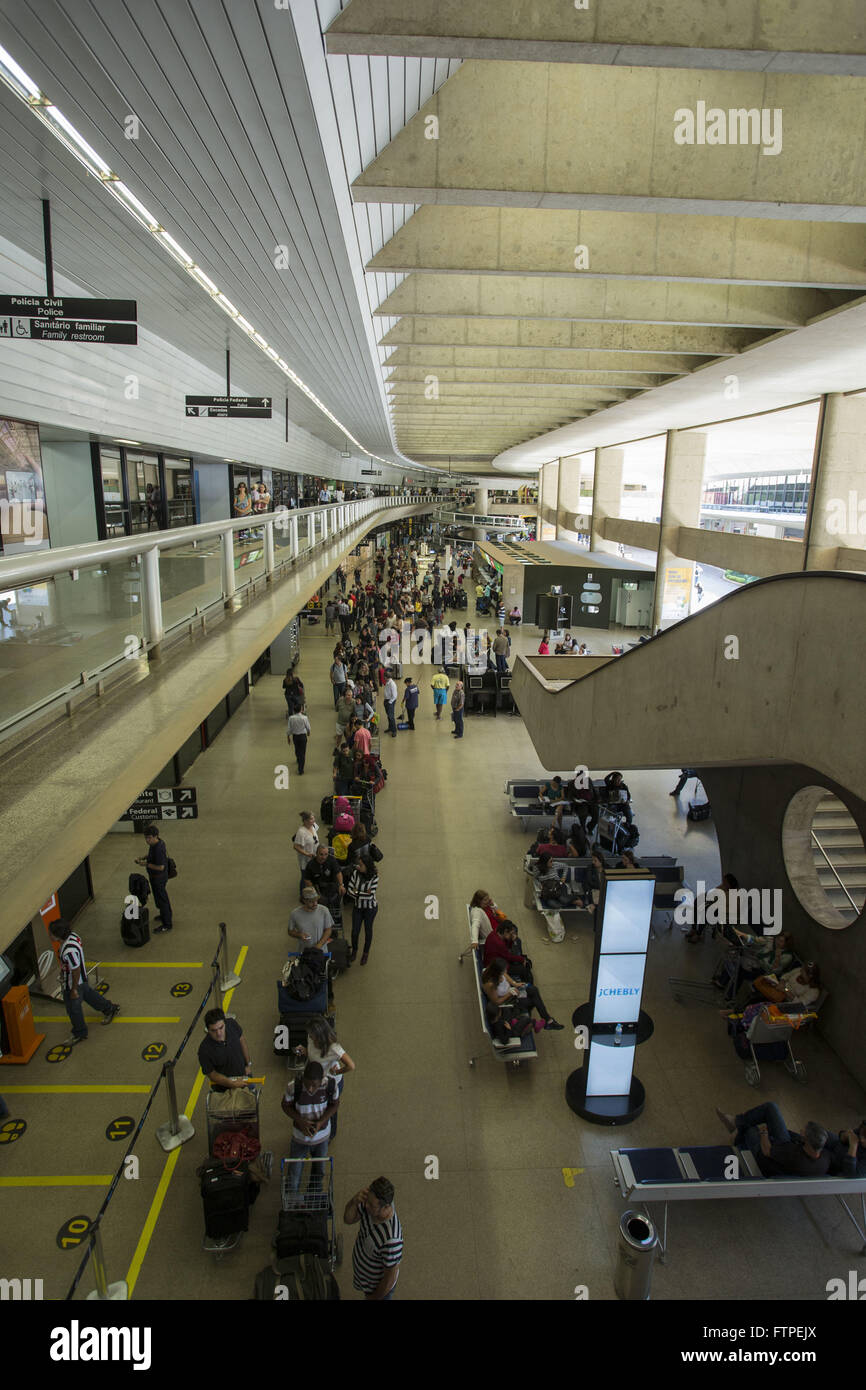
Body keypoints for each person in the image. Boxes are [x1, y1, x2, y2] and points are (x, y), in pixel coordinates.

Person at [50, 919, 120, 1044]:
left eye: (51, 933)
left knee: (73, 1009)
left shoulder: (68, 951)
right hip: (82, 980)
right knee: (89, 995)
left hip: (73, 983)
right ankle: (109, 1008)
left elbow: (75, 969)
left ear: (58, 935)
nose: (50, 935)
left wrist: (74, 989)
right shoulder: (73, 937)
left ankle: (80, 1032)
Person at [716, 1104, 830, 1178]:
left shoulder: (793, 1155)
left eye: (803, 1132)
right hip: (786, 1146)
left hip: (768, 1161)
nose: (800, 1130)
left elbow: (766, 1150)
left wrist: (764, 1134)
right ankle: (736, 1122)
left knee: (750, 1129)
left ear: (807, 1140)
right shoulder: (824, 1158)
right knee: (771, 1108)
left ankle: (737, 1133)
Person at [281, 1062, 339, 1193]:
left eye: (314, 1085)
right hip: (299, 1138)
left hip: (322, 1137)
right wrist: (300, 1121)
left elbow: (335, 1104)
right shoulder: (293, 1087)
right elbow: (285, 1105)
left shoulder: (330, 1085)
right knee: (294, 1172)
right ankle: (292, 1197)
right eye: (307, 1084)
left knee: (319, 1170)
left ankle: (314, 1193)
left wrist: (321, 1121)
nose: (310, 1089)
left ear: (322, 1080)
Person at [344, 1178, 403, 1300]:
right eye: (367, 1201)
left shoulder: (391, 1240)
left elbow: (389, 1279)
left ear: (386, 1207)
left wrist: (373, 1298)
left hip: (378, 1290)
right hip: (366, 1279)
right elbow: (348, 1219)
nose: (366, 1205)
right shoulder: (370, 1207)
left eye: (371, 1204)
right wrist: (354, 1201)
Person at [298, 1018, 356, 1140]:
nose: (310, 1037)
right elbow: (314, 1055)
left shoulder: (334, 1048)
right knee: (318, 1107)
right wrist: (305, 1051)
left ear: (320, 1035)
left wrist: (337, 1071)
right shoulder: (311, 1039)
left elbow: (351, 1066)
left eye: (312, 1035)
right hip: (315, 1081)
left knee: (329, 1110)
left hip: (330, 1083)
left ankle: (330, 1134)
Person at [198, 1008, 253, 1091]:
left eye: (221, 1028)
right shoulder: (204, 1050)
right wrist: (232, 1084)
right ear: (207, 1030)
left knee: (251, 1100)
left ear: (225, 1023)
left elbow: (242, 1040)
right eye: (213, 1030)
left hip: (245, 1076)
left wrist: (248, 1064)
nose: (218, 1033)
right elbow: (212, 1074)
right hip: (223, 1089)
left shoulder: (232, 1024)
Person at [135, 824, 173, 932]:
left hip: (159, 878)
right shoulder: (156, 843)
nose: (147, 840)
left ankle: (167, 924)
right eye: (146, 838)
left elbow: (161, 867)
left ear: (155, 836)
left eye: (149, 838)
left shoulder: (159, 849)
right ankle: (164, 915)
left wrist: (145, 864)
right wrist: (143, 857)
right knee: (159, 898)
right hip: (156, 877)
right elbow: (151, 854)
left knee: (162, 899)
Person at [346, 857, 379, 965]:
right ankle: (354, 950)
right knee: (355, 932)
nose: (358, 867)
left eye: (361, 865)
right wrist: (363, 893)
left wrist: (357, 892)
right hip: (358, 908)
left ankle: (365, 953)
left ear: (367, 866)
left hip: (370, 909)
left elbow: (370, 896)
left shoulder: (375, 877)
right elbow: (349, 891)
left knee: (368, 931)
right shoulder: (356, 873)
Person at [303, 844, 345, 910]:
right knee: (321, 909)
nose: (324, 857)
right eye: (321, 854)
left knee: (335, 908)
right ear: (316, 853)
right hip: (319, 890)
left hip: (332, 887)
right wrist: (314, 892)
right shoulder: (311, 865)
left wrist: (341, 885)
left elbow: (338, 873)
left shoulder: (332, 860)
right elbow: (307, 879)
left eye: (326, 854)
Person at [292, 811, 319, 894]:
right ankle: (303, 895)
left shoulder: (313, 826)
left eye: (313, 818)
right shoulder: (301, 832)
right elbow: (296, 846)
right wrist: (307, 854)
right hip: (305, 859)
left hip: (314, 857)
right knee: (305, 877)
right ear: (305, 821)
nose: (313, 820)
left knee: (312, 876)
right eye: (311, 819)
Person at [287, 704, 311, 775]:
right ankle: (301, 769)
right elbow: (308, 727)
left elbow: (289, 729)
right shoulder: (304, 718)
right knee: (302, 752)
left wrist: (288, 737)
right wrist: (308, 733)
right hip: (303, 737)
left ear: (294, 710)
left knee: (297, 749)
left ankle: (298, 758)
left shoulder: (291, 718)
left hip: (295, 737)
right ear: (301, 710)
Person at [383, 669, 398, 738]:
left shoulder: (392, 684)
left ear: (387, 677)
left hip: (390, 701)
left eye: (384, 677)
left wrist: (389, 702)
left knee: (391, 716)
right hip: (387, 700)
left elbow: (394, 695)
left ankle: (394, 731)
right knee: (388, 715)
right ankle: (390, 728)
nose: (383, 678)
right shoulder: (387, 682)